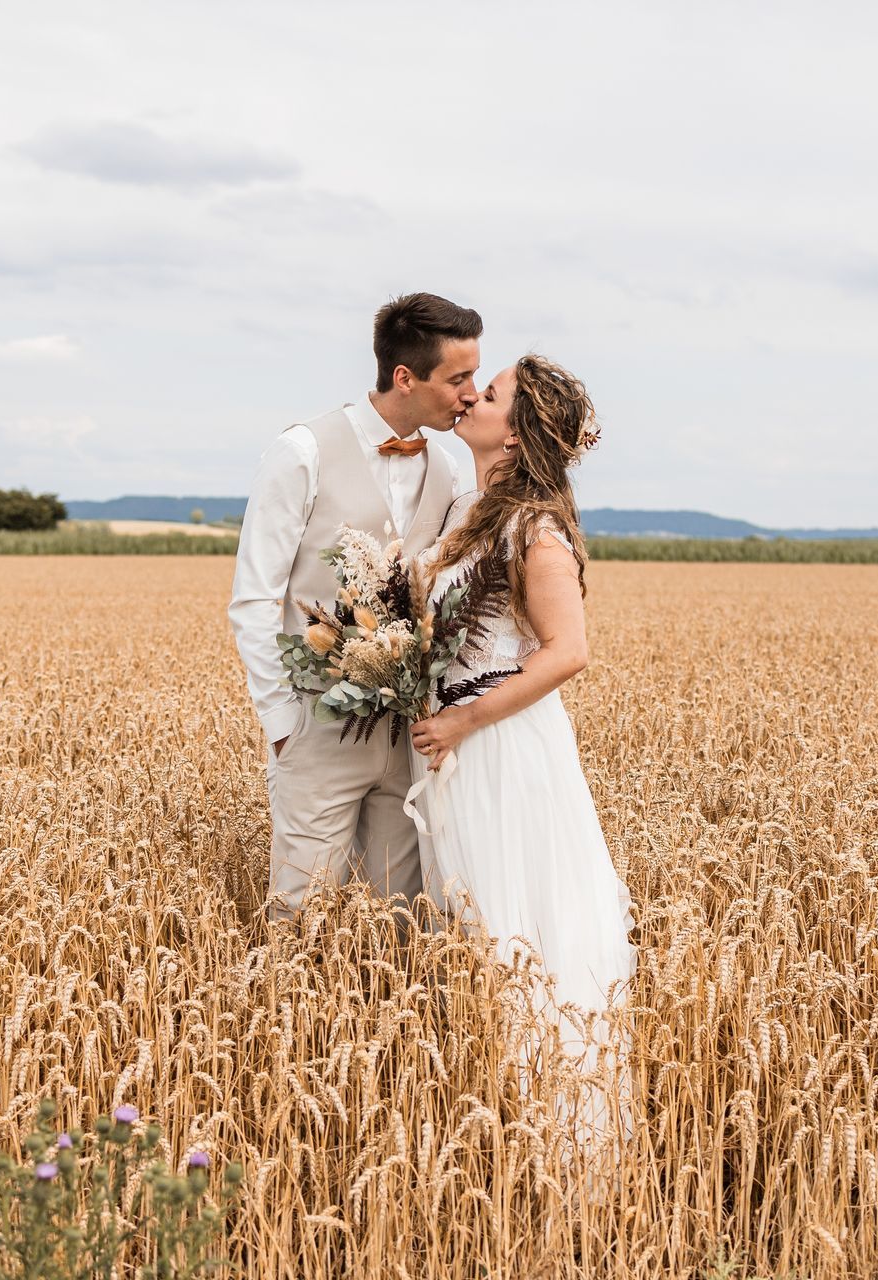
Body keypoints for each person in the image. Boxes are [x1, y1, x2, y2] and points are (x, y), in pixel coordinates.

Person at [406, 354, 636, 1136]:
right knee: (472, 926)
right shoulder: (469, 509)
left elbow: (568, 650)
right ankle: (494, 1123)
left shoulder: (533, 525)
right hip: (459, 746)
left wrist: (464, 721)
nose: (473, 395)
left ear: (516, 431)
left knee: (517, 925)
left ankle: (558, 1128)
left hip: (505, 752)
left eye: (491, 392)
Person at [228, 293, 480, 922]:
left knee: (399, 915)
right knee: (301, 911)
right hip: (318, 729)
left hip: (409, 738)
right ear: (406, 378)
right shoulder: (302, 452)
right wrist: (285, 726)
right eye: (458, 378)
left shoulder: (447, 468)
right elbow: (255, 599)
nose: (471, 394)